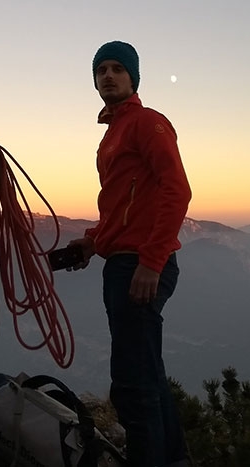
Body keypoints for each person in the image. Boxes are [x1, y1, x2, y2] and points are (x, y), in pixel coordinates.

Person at [68, 40, 193, 467]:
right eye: (101, 69)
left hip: (140, 265)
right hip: (123, 261)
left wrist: (151, 261)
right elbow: (121, 204)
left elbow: (177, 191)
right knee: (149, 375)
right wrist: (91, 241)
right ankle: (173, 458)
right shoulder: (113, 133)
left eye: (118, 68)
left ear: (133, 78)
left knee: (132, 383)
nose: (108, 76)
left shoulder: (147, 123)